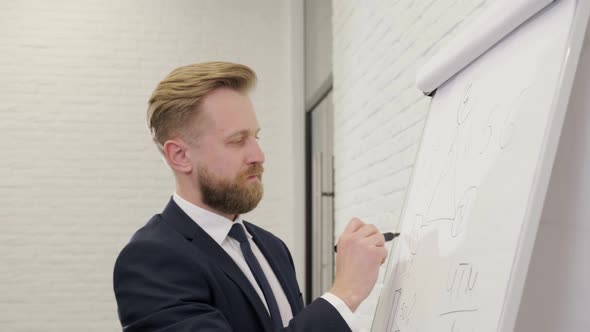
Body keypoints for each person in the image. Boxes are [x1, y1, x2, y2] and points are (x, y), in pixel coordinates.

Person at [113, 61, 388, 331]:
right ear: (180, 156)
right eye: (237, 140)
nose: (258, 156)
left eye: (256, 137)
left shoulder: (272, 248)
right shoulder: (150, 260)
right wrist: (345, 293)